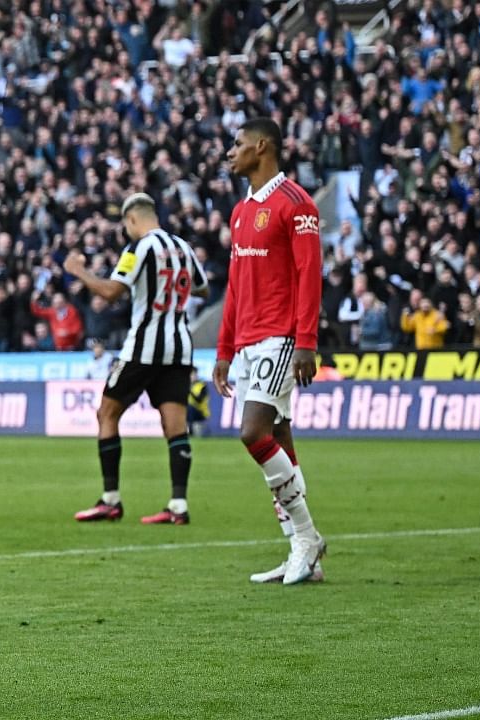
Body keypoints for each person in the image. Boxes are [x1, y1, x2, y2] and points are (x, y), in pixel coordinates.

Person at [213, 118, 326, 584]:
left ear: (262, 147)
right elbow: (235, 286)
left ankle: (306, 537)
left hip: (281, 338)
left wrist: (306, 342)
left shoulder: (296, 204)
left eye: (237, 145)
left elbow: (309, 274)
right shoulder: (241, 212)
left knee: (252, 433)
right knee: (278, 440)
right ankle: (304, 553)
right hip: (248, 343)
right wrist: (223, 350)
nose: (229, 152)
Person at [65, 193, 208, 525]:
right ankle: (178, 505)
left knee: (107, 412)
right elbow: (200, 288)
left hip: (144, 346)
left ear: (132, 219)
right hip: (179, 347)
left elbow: (112, 292)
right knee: (175, 425)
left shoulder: (139, 248)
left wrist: (80, 272)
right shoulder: (183, 248)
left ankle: (110, 500)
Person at [186, 367, 210, 437]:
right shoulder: (187, 385)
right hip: (189, 412)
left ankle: (190, 432)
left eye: (193, 374)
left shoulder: (202, 386)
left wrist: (190, 391)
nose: (192, 376)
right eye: (190, 375)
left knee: (190, 408)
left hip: (201, 412)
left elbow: (199, 400)